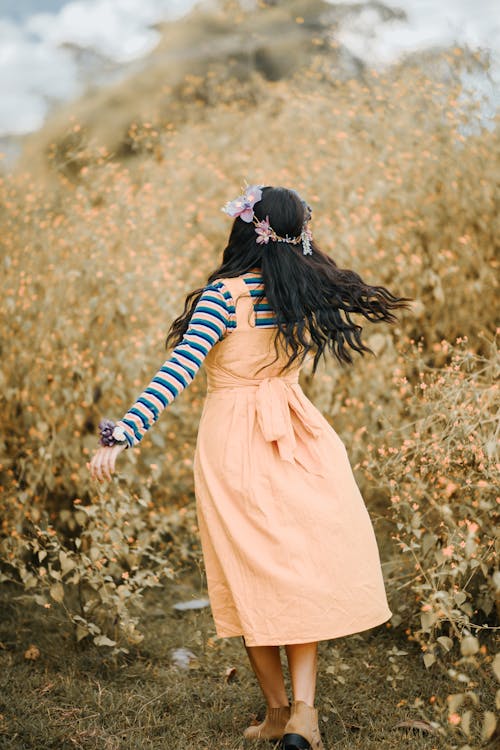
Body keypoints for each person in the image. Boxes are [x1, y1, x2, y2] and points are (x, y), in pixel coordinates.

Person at [88, 185, 411, 749]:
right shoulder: (301, 290)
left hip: (235, 442)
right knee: (296, 572)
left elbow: (179, 371)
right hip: (298, 434)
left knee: (251, 576)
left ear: (245, 229)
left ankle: (278, 713)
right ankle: (304, 715)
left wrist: (124, 432)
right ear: (299, 235)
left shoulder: (223, 297)